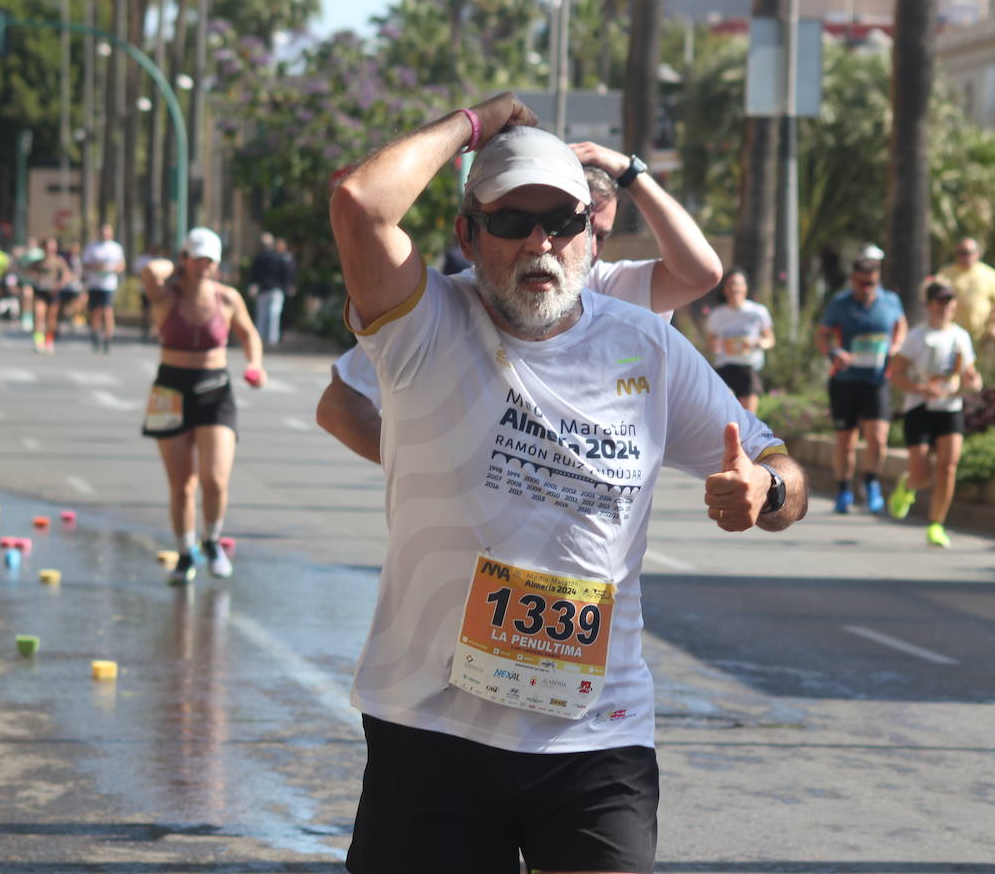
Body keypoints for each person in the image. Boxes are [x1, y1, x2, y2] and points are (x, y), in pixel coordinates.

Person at [329, 93, 807, 874]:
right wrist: (476, 122)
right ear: (468, 234)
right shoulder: (425, 325)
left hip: (597, 736)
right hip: (431, 731)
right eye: (512, 222)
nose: (539, 242)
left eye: (562, 221)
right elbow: (358, 202)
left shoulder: (647, 347)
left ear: (592, 233)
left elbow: (783, 467)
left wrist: (769, 491)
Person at [316, 140, 725, 463]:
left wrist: (629, 171)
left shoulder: (616, 290)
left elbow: (702, 272)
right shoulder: (446, 308)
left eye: (578, 228)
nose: (546, 244)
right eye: (521, 224)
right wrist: (422, 467)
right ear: (468, 237)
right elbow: (339, 404)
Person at [140, 227, 265, 585]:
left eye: (209, 260)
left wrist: (255, 364)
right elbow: (150, 271)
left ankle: (211, 540)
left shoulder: (227, 299)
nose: (203, 266)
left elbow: (248, 333)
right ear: (184, 259)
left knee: (214, 479)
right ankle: (185, 554)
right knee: (181, 485)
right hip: (170, 390)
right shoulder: (166, 296)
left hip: (214, 389)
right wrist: (176, 268)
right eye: (196, 258)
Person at [887, 281, 982, 547]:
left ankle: (936, 525)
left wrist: (974, 380)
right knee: (922, 476)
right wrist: (921, 388)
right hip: (919, 408)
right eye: (939, 302)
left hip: (949, 408)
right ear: (929, 305)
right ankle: (908, 485)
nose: (945, 307)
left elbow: (968, 371)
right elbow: (896, 374)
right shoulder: (917, 337)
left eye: (949, 302)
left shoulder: (961, 336)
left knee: (948, 467)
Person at [815, 246, 907, 514]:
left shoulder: (890, 301)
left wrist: (897, 345)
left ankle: (871, 482)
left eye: (872, 283)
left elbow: (901, 325)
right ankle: (844, 489)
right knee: (846, 440)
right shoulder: (840, 303)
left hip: (877, 380)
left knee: (878, 437)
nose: (867, 288)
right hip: (845, 381)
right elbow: (822, 334)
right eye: (861, 283)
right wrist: (834, 352)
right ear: (853, 279)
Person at [704, 269, 775, 412]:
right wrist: (716, 346)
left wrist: (760, 343)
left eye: (738, 284)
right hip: (724, 367)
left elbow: (770, 339)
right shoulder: (717, 315)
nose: (735, 288)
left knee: (749, 417)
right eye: (730, 284)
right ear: (725, 289)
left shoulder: (757, 312)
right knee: (725, 414)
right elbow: (711, 342)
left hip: (748, 367)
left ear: (745, 287)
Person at [936, 237, 995, 341]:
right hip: (951, 336)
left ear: (977, 253)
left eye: (967, 253)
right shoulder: (944, 274)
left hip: (982, 337)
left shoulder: (989, 274)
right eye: (960, 253)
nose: (963, 256)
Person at [82, 223, 125, 352]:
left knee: (107, 310)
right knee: (96, 311)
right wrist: (97, 267)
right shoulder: (92, 247)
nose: (105, 234)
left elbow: (121, 265)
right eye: (102, 232)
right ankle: (95, 333)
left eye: (107, 232)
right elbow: (85, 264)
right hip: (94, 284)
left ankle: (108, 337)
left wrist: (112, 269)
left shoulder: (116, 247)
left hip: (109, 285)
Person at [246, 232, 295, 346]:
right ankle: (270, 340)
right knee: (273, 315)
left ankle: (262, 339)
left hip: (266, 290)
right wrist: (288, 285)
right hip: (273, 290)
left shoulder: (260, 257)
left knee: (264, 315)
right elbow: (286, 273)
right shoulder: (278, 257)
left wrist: (253, 285)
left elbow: (254, 274)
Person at [27, 237, 71, 353]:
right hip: (40, 291)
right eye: (47, 248)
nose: (49, 250)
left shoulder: (59, 261)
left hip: (53, 292)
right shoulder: (38, 262)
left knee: (51, 319)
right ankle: (38, 341)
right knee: (39, 315)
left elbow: (66, 276)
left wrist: (58, 286)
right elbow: (28, 272)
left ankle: (49, 340)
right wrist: (35, 277)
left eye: (52, 248)